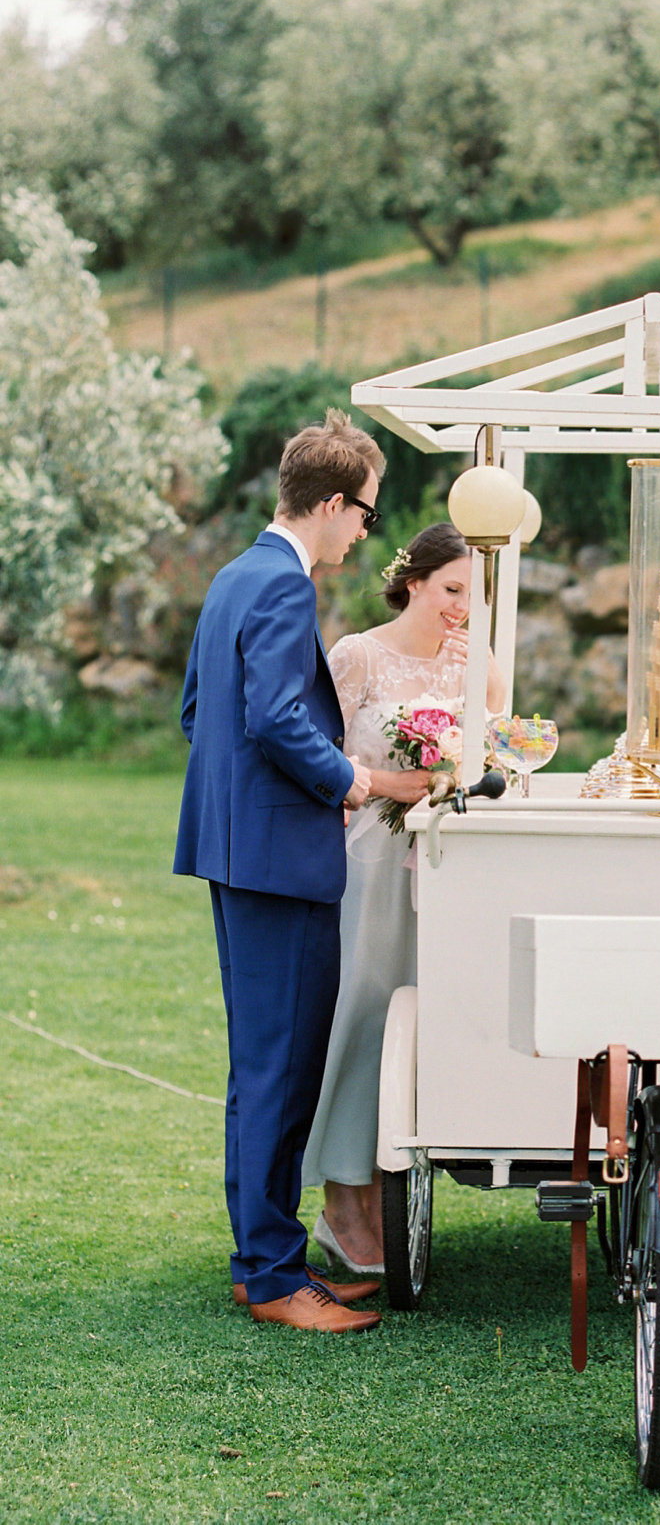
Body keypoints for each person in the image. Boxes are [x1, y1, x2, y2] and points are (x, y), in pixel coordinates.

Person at [174, 410, 388, 1332]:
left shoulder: (233, 576)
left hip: (242, 855)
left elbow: (196, 713)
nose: (365, 533)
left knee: (266, 1063)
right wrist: (350, 781)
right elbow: (269, 718)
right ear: (333, 503)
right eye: (367, 516)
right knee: (281, 1065)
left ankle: (266, 1260)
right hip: (280, 864)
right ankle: (269, 1276)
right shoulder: (282, 587)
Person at [303, 523, 506, 1272]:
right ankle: (338, 1202)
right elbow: (316, 752)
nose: (461, 607)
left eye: (473, 595)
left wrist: (478, 686)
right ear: (414, 579)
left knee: (425, 1025)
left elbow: (501, 757)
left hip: (448, 873)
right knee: (360, 1016)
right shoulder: (358, 654)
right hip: (368, 866)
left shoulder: (474, 665)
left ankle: (390, 1189)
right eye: (452, 589)